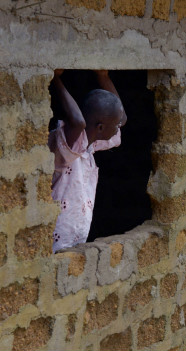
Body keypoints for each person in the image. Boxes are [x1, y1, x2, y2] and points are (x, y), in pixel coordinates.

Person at [49, 69, 127, 252]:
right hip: (54, 241)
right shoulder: (68, 144)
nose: (119, 126)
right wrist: (54, 78)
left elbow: (122, 118)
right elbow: (78, 122)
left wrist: (103, 76)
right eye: (114, 124)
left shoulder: (91, 145)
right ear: (100, 127)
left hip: (77, 240)